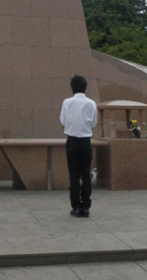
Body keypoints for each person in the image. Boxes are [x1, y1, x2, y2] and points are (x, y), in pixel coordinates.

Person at [60, 74, 97, 218]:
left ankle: (76, 207)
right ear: (85, 87)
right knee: (86, 174)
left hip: (72, 140)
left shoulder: (67, 102)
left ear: (72, 87)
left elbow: (63, 120)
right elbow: (93, 123)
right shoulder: (91, 103)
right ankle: (86, 207)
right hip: (86, 140)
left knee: (74, 174)